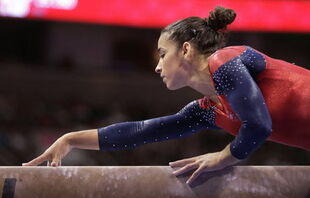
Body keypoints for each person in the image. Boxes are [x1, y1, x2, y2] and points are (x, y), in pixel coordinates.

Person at [23, 7, 310, 186]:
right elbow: (141, 131)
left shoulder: (225, 61)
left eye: (162, 54)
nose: (158, 66)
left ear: (186, 50)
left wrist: (223, 157)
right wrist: (71, 139)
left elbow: (258, 126)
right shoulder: (209, 110)